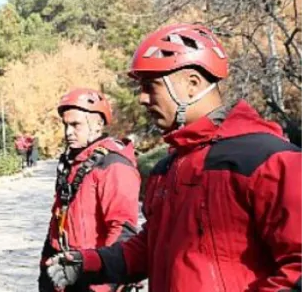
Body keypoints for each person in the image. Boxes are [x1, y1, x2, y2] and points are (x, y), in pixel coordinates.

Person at [46, 23, 302, 291]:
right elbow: (150, 247)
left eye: (151, 85)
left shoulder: (270, 160)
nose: (143, 99)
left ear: (192, 84)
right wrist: (90, 263)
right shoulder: (167, 168)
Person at [39, 88, 141, 292]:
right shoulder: (73, 162)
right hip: (63, 272)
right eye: (65, 125)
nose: (68, 132)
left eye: (75, 125)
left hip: (93, 276)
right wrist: (46, 270)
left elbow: (122, 230)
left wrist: (105, 285)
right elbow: (59, 220)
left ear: (98, 124)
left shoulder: (113, 165)